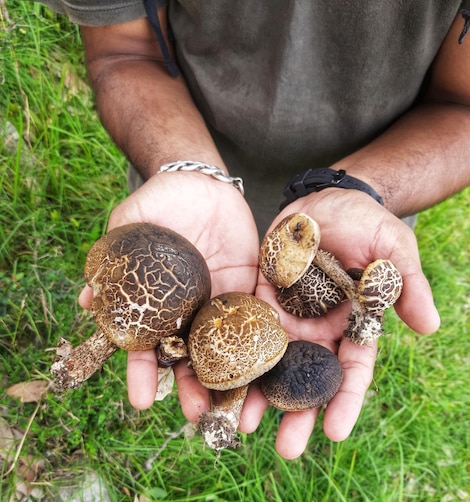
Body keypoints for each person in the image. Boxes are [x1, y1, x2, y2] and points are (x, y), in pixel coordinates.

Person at [35, 0, 470, 458]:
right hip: (188, 209)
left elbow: (462, 105)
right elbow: (123, 51)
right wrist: (188, 168)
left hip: (348, 230)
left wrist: (360, 189)